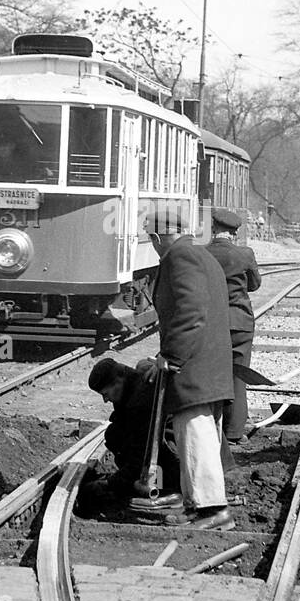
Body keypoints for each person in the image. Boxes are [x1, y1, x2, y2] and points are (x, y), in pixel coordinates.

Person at [141, 204, 235, 531]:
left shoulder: (179, 258)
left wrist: (171, 355)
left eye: (152, 239)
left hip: (194, 365)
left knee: (195, 433)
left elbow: (191, 311)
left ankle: (214, 511)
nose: (153, 246)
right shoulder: (201, 254)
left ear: (158, 236)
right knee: (199, 433)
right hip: (210, 362)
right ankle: (197, 505)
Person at [203, 207, 261, 445]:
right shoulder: (244, 254)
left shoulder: (202, 253)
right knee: (239, 375)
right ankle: (235, 432)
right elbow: (255, 284)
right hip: (239, 323)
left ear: (213, 228)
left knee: (209, 374)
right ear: (235, 232)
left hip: (210, 323)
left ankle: (208, 429)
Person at [86, 357, 181, 501]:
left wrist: (113, 483)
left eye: (105, 394)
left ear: (118, 381)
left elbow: (142, 452)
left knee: (131, 441)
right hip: (161, 445)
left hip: (174, 453)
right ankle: (142, 480)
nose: (105, 400)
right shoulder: (128, 386)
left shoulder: (140, 400)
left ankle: (162, 488)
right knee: (114, 433)